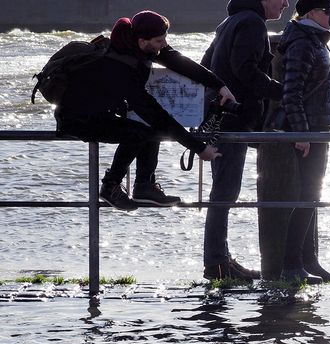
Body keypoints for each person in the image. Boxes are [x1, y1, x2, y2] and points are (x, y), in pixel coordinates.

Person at [56, 11, 221, 211]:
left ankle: (144, 187)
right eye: (160, 40)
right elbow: (154, 114)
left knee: (151, 131)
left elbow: (175, 59)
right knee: (140, 133)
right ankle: (110, 187)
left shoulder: (137, 46)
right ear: (143, 41)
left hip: (100, 111)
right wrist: (199, 148)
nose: (164, 44)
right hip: (77, 118)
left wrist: (218, 85)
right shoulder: (121, 66)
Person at [201, 0, 289, 280]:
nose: (286, 4)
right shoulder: (252, 22)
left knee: (222, 191)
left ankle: (220, 259)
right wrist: (280, 90)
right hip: (233, 118)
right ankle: (216, 263)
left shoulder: (231, 21)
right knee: (225, 192)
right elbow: (245, 69)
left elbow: (207, 62)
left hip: (218, 115)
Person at [268, 0, 330, 284]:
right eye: (327, 11)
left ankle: (308, 260)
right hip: (306, 130)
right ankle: (291, 265)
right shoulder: (302, 41)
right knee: (307, 196)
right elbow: (292, 91)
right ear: (312, 14)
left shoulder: (314, 39)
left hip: (317, 127)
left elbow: (315, 84)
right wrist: (301, 132)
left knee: (313, 196)